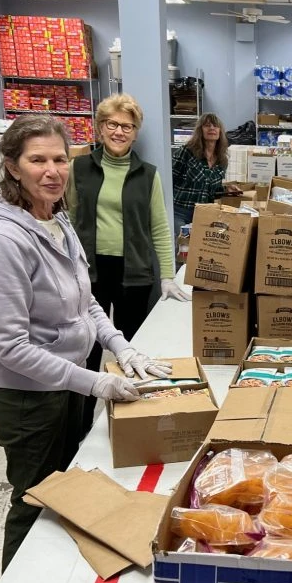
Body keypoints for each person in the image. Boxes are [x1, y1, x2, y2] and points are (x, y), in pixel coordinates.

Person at [0, 115, 170, 571]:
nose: (52, 170)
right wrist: (95, 384)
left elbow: (88, 304)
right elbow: (10, 346)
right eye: (37, 159)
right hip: (26, 395)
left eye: (60, 158)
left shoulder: (57, 220)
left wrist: (122, 347)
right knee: (35, 498)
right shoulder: (5, 239)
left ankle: (52, 578)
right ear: (12, 166)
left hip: (66, 384)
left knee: (67, 488)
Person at [67, 93, 189, 427]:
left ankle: (132, 425)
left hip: (133, 273)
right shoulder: (79, 168)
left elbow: (161, 229)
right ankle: (80, 427)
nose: (119, 131)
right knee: (87, 352)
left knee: (132, 350)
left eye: (127, 126)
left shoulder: (148, 175)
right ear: (100, 127)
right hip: (88, 272)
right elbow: (69, 218)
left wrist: (168, 275)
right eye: (112, 124)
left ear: (135, 133)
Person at [172, 112, 238, 239]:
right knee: (182, 248)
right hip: (180, 213)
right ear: (200, 130)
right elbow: (170, 179)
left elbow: (211, 190)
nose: (212, 128)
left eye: (215, 126)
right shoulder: (186, 152)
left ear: (220, 131)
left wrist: (226, 190)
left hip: (203, 214)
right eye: (207, 125)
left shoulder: (222, 160)